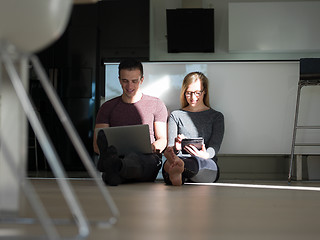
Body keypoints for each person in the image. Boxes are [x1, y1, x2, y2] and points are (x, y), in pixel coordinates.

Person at [93, 59, 168, 186]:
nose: (129, 87)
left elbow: (162, 140)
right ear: (119, 80)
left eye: (134, 81)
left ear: (142, 80)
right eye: (125, 81)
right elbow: (97, 145)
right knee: (115, 159)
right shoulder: (107, 107)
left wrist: (152, 147)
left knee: (136, 159)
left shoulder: (156, 104)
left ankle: (115, 170)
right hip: (117, 156)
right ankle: (116, 170)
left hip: (147, 159)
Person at [163, 72, 224, 186]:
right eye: (189, 93)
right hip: (179, 158)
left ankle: (179, 172)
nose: (193, 97)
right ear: (184, 92)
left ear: (204, 91)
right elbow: (170, 148)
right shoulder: (176, 115)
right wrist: (176, 148)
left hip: (205, 161)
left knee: (194, 164)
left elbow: (215, 146)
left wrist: (205, 155)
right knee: (170, 162)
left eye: (197, 93)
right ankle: (178, 169)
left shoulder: (216, 117)